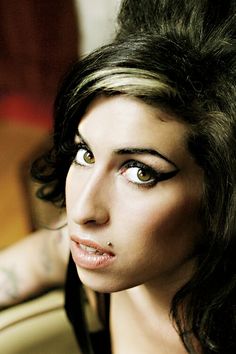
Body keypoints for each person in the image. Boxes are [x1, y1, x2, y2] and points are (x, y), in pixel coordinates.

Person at [1, 0, 236, 353]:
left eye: (141, 172)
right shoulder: (93, 251)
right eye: (85, 154)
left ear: (221, 192)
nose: (81, 211)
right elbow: (32, 262)